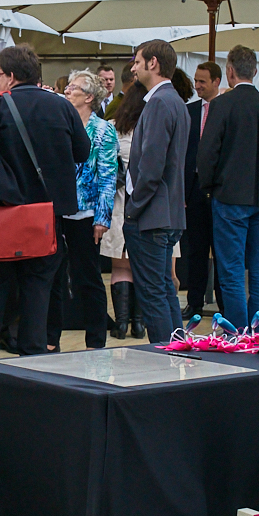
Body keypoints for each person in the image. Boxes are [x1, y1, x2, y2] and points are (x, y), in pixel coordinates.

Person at [0, 44, 90, 359]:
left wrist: (1, 184)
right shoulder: (62, 106)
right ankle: (35, 366)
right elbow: (82, 151)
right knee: (38, 295)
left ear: (8, 75)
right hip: (46, 218)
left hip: (1, 215)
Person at [197, 45, 259, 330]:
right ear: (256, 71)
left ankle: (236, 331)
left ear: (229, 71)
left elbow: (207, 152)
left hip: (230, 195)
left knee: (232, 269)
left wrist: (209, 185)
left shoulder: (222, 105)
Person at [122, 39, 190, 343]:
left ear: (153, 63)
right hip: (167, 212)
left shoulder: (161, 102)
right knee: (163, 289)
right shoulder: (172, 101)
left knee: (153, 294)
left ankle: (166, 358)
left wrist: (133, 208)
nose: (134, 68)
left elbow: (151, 166)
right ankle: (177, 351)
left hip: (152, 215)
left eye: (137, 61)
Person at [47, 69, 117, 351]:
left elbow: (108, 177)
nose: (67, 91)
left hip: (86, 215)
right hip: (56, 211)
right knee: (52, 277)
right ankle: (51, 339)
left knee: (87, 277)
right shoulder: (59, 123)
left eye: (73, 88)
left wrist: (102, 217)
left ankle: (95, 341)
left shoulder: (102, 130)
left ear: (88, 97)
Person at [101, 81, 148, 340]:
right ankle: (139, 323)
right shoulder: (152, 129)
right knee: (142, 267)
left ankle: (120, 324)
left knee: (119, 268)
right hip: (147, 205)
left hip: (118, 202)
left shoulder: (113, 130)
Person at [181, 61, 223, 319]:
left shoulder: (226, 109)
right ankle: (194, 301)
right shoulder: (190, 111)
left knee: (221, 249)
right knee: (195, 249)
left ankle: (222, 301)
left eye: (203, 82)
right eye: (195, 81)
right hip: (194, 189)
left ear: (216, 81)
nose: (197, 86)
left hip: (219, 189)